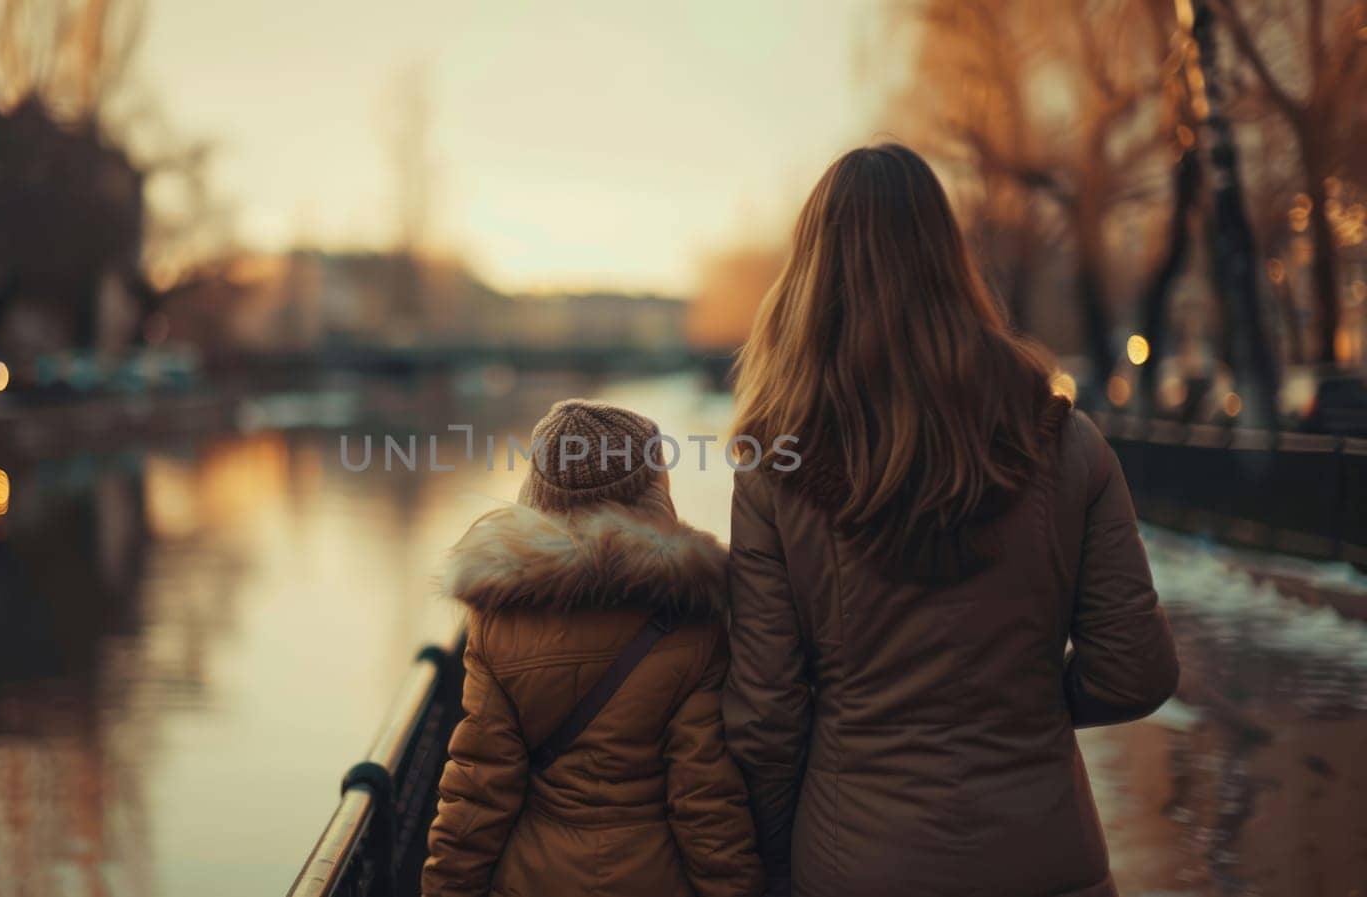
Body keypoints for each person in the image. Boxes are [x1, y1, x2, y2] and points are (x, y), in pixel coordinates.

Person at [724, 143, 1179, 897]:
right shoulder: (1066, 443)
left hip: (856, 865)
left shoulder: (778, 470)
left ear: (811, 277)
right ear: (949, 259)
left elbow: (766, 721)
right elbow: (1137, 670)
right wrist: (1024, 707)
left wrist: (776, 860)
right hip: (1048, 859)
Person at [423, 400, 763, 897]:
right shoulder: (694, 618)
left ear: (537, 490)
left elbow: (478, 789)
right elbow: (705, 799)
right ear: (652, 488)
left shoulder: (499, 619)